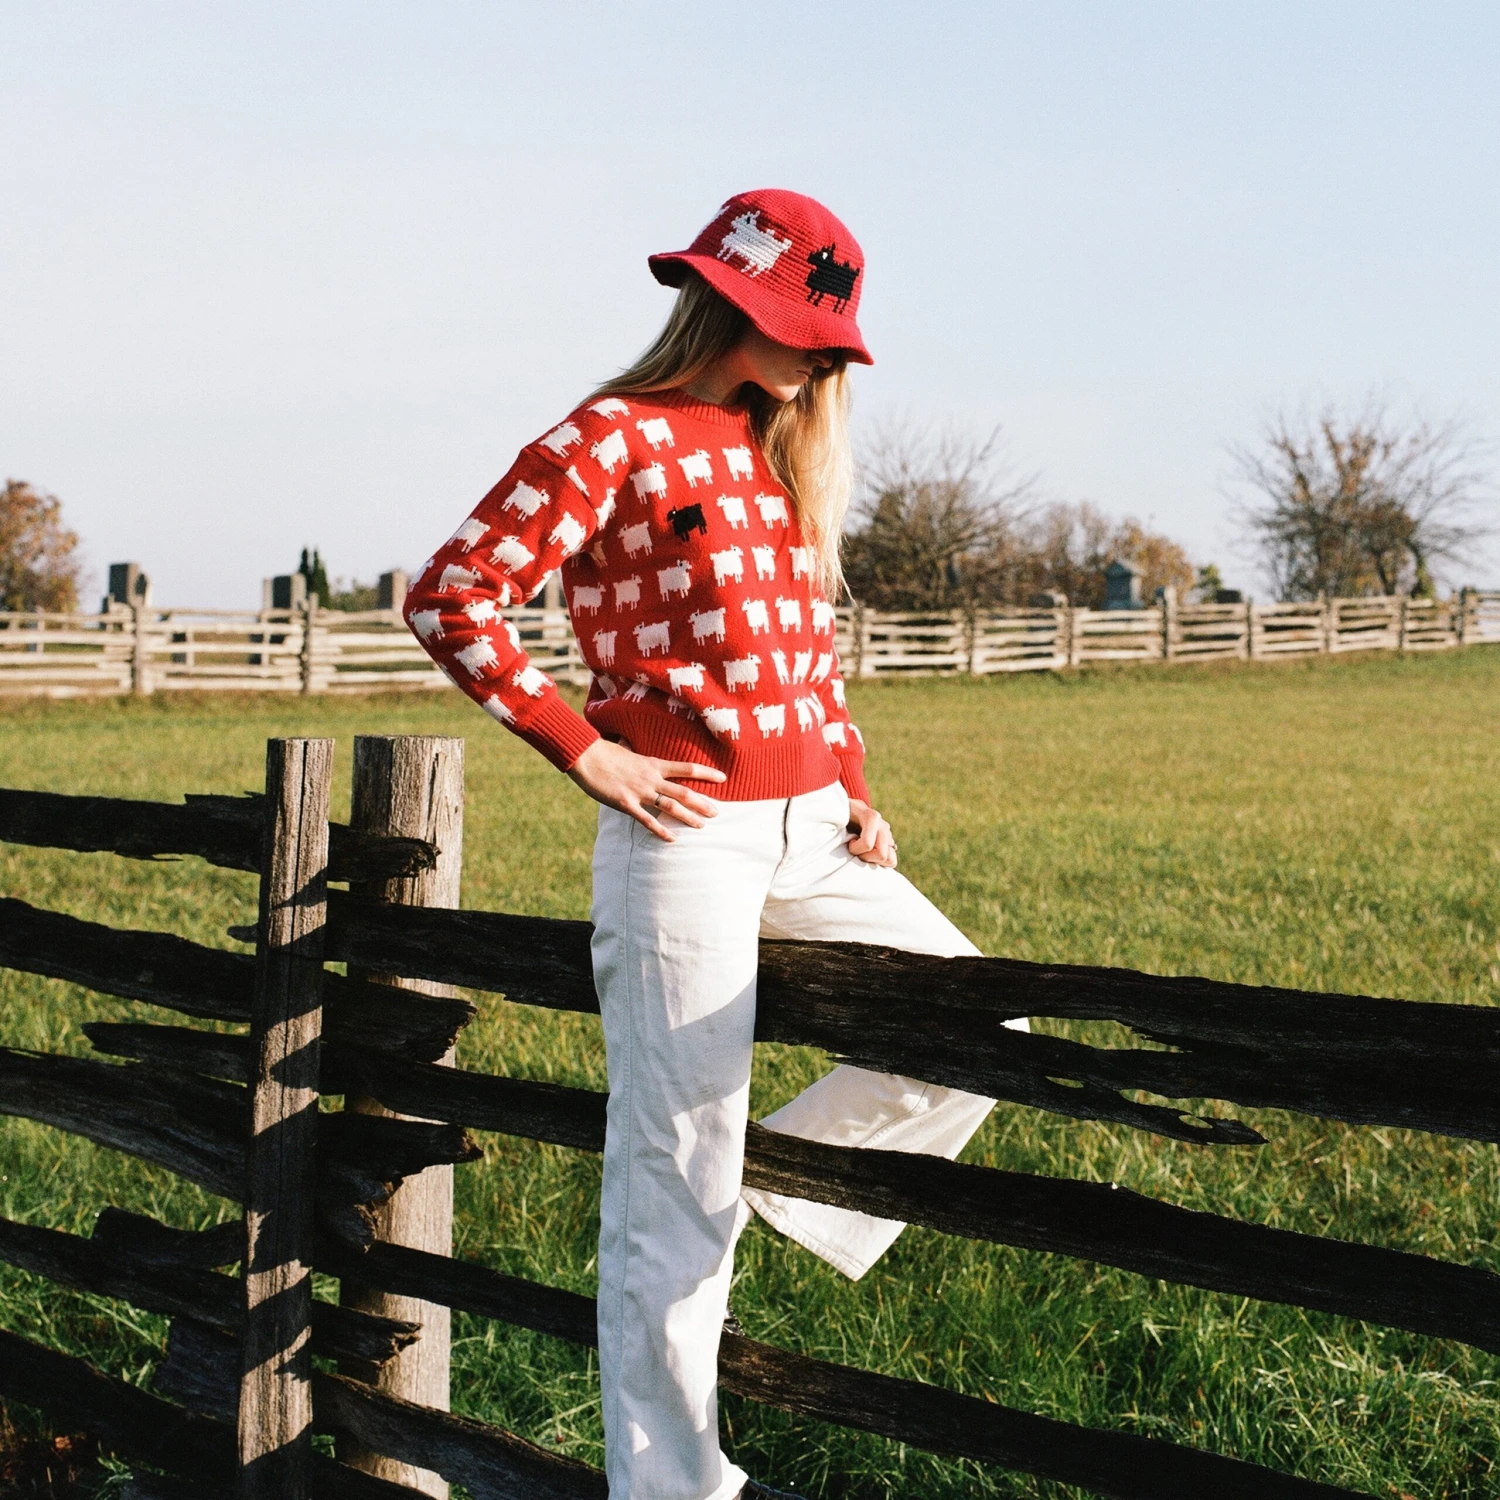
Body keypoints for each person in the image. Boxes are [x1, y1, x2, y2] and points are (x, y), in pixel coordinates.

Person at [403, 188, 1027, 1500]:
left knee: (984, 1033)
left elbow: (808, 650)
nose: (824, 361)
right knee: (666, 1190)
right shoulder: (611, 438)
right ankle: (675, 1485)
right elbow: (454, 597)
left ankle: (755, 1187)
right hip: (685, 840)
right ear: (736, 301)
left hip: (815, 835)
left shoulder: (775, 455)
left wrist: (851, 783)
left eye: (834, 343)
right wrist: (590, 752)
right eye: (810, 330)